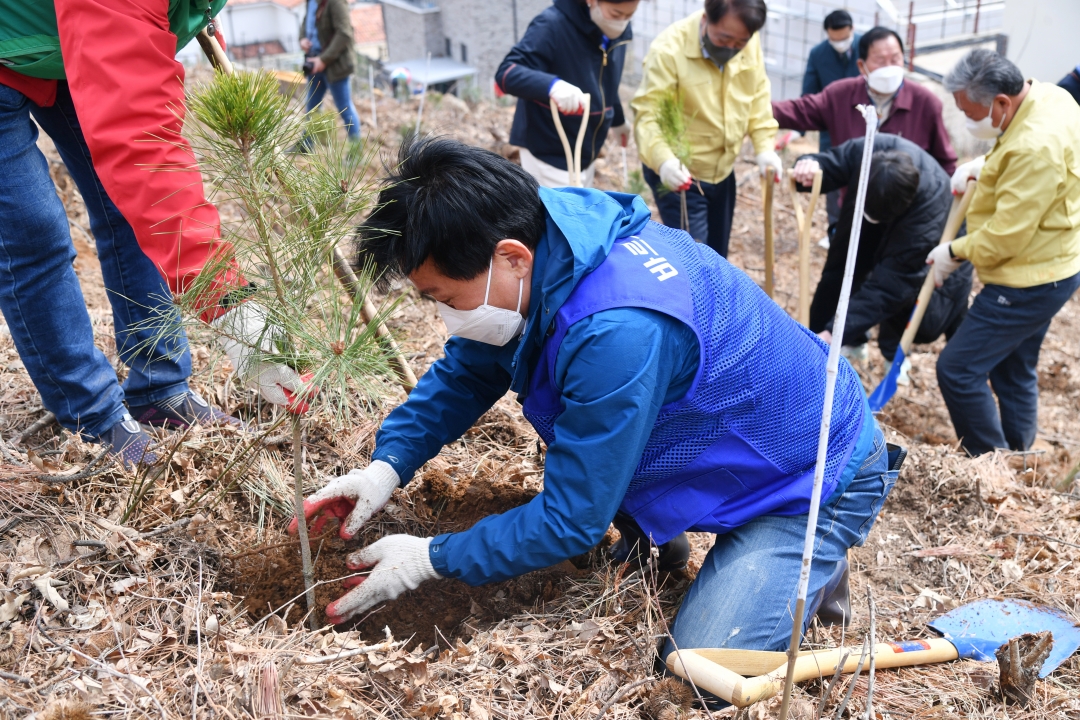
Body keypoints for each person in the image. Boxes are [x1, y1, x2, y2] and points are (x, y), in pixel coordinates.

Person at [289, 137, 901, 670]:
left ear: (511, 258)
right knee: (607, 439)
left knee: (699, 667)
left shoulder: (617, 330)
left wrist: (430, 558)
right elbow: (469, 372)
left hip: (814, 469)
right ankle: (670, 531)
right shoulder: (549, 233)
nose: (443, 315)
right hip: (722, 429)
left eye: (442, 296)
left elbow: (570, 519)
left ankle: (806, 558)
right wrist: (387, 465)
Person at [0, 1, 311, 465]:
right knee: (33, 234)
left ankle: (159, 389)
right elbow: (143, 145)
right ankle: (94, 416)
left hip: (68, 42)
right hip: (52, 32)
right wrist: (228, 303)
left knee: (129, 209)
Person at [929, 49, 1080, 456]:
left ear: (1000, 102)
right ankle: (1018, 454)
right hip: (1055, 262)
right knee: (1014, 367)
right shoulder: (1049, 96)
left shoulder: (1034, 149)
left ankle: (991, 463)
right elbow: (1015, 152)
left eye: (969, 112)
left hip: (1026, 279)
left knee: (957, 369)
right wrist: (987, 165)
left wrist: (953, 251)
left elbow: (1005, 238)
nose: (966, 120)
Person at [792, 135, 972, 380]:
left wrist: (833, 334)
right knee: (841, 270)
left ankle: (891, 353)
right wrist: (811, 163)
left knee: (921, 315)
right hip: (863, 219)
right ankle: (825, 351)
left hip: (921, 244)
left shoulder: (928, 217)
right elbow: (834, 161)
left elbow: (890, 287)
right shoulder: (867, 149)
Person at [631, 0, 782, 257]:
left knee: (717, 254)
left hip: (722, 170)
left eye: (740, 43)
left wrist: (764, 147)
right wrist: (665, 161)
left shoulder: (748, 41)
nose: (732, 48)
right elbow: (649, 115)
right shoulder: (669, 51)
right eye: (724, 39)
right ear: (705, 19)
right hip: (682, 174)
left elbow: (757, 95)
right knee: (694, 259)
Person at [772, 27, 956, 180]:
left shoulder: (926, 103)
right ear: (862, 66)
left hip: (910, 211)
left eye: (895, 59)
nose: (889, 67)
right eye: (880, 61)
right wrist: (755, 111)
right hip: (851, 202)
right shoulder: (841, 95)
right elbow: (799, 111)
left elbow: (945, 163)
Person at [496, 0, 639, 188]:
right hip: (549, 151)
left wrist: (618, 119)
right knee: (557, 215)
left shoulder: (616, 34)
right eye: (615, 14)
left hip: (586, 151)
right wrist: (552, 86)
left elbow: (605, 82)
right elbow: (507, 73)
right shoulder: (552, 24)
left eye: (629, 16)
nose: (621, 23)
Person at [800, 9, 861, 236]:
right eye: (835, 40)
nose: (840, 44)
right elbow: (809, 93)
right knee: (833, 176)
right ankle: (835, 229)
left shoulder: (867, 46)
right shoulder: (818, 54)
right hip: (832, 128)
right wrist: (800, 129)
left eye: (844, 39)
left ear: (852, 30)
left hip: (863, 124)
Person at [297, 0, 362, 149]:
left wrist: (323, 59)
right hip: (314, 61)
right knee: (312, 107)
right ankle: (306, 146)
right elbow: (306, 21)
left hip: (334, 65)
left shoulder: (336, 2)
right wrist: (302, 39)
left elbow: (344, 33)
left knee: (344, 107)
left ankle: (355, 151)